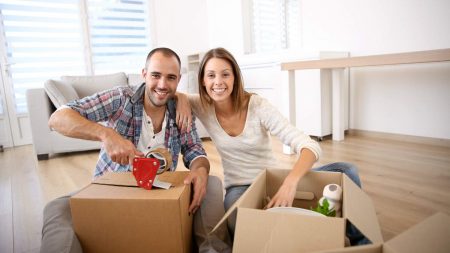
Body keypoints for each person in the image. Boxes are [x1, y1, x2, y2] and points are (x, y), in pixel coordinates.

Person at [40, 47, 231, 253]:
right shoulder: (120, 98)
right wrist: (107, 135)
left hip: (159, 194)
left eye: (171, 78)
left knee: (210, 183)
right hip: (112, 191)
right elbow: (57, 118)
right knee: (56, 208)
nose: (162, 84)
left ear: (178, 80)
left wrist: (200, 169)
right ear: (144, 75)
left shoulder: (181, 110)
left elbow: (195, 150)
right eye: (156, 75)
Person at [176, 47, 369, 245]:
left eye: (225, 74)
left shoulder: (257, 106)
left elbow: (309, 146)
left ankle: (362, 243)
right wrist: (182, 99)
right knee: (237, 224)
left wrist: (289, 183)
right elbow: (170, 92)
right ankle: (300, 232)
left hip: (273, 179)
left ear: (235, 77)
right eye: (211, 75)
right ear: (203, 81)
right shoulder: (202, 104)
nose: (218, 82)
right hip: (239, 188)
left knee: (347, 171)